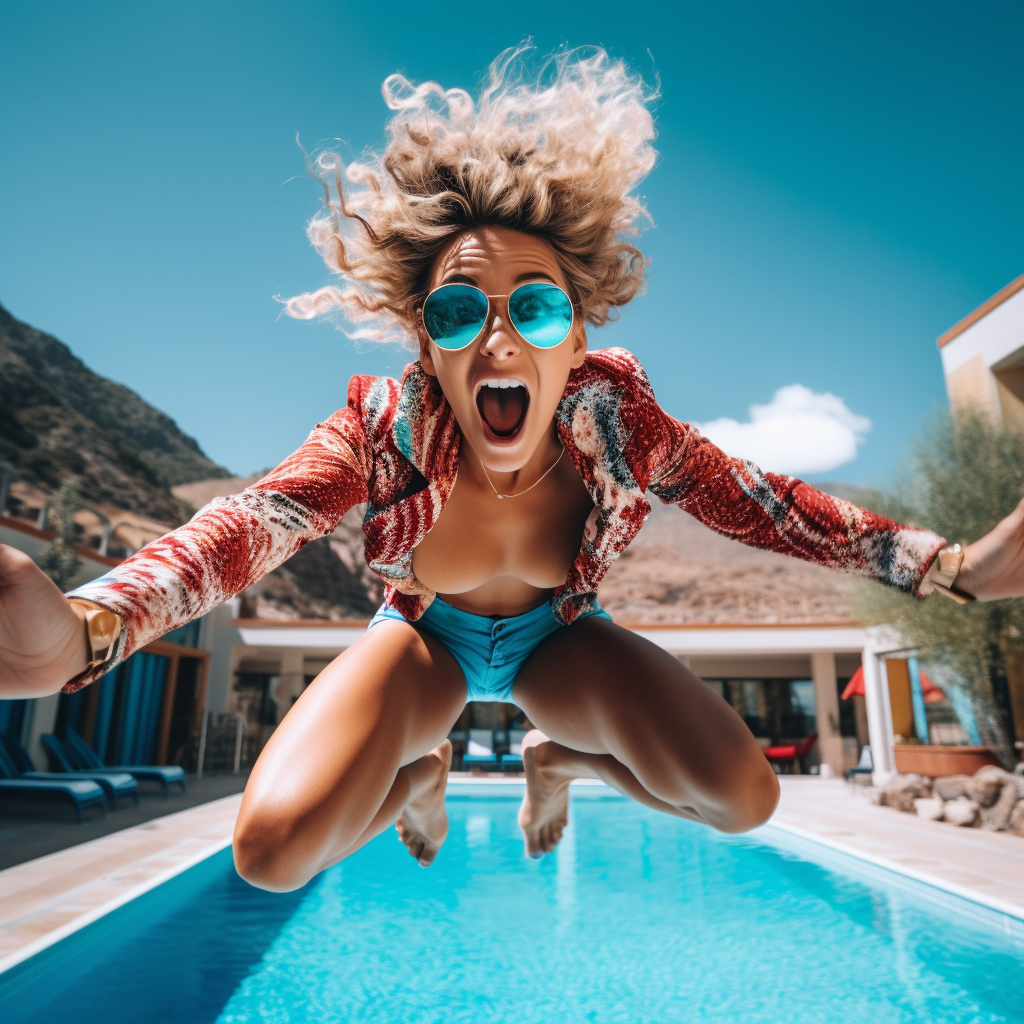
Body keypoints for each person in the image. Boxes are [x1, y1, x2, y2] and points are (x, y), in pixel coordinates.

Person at [2, 49, 1022, 893]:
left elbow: (760, 505)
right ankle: (418, 773)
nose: (497, 335)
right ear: (423, 336)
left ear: (576, 334)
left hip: (557, 642)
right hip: (424, 638)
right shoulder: (381, 423)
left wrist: (953, 567)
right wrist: (91, 630)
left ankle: (556, 762)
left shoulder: (616, 416)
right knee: (270, 855)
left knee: (744, 797)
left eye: (533, 308)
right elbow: (246, 527)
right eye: (458, 310)